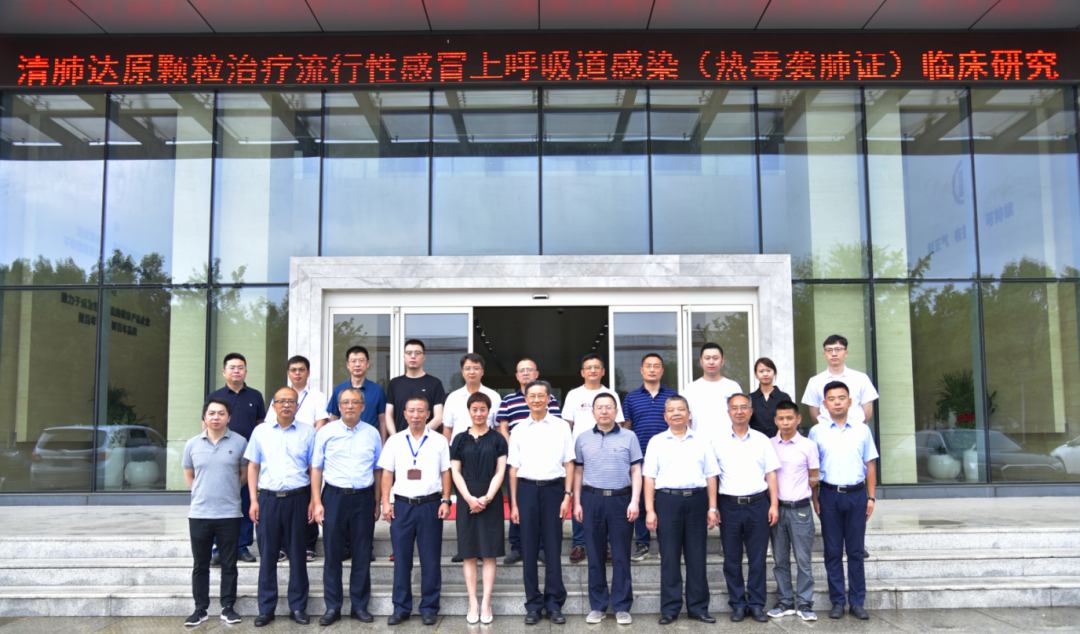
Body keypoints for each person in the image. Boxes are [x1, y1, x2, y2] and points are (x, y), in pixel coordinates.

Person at [643, 395, 719, 625]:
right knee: (669, 557)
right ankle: (670, 608)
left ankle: (698, 608)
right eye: (671, 410)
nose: (676, 413)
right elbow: (649, 477)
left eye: (681, 409)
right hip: (667, 502)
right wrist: (650, 510)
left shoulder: (702, 440)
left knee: (697, 556)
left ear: (688, 414)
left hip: (697, 501)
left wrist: (712, 507)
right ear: (665, 416)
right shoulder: (656, 441)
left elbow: (711, 475)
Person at [245, 387, 317, 627]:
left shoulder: (308, 432)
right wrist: (253, 500)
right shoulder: (261, 431)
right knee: (267, 555)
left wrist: (313, 500)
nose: (286, 404)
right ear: (273, 405)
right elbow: (253, 466)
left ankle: (298, 607)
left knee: (298, 554)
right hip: (268, 499)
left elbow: (314, 468)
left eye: (291, 401)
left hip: (298, 498)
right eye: (281, 401)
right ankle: (266, 609)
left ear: (297, 406)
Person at [310, 387, 382, 626]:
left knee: (362, 554)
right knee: (332, 555)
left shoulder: (372, 433)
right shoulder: (326, 432)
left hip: (363, 498)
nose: (350, 406)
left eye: (355, 402)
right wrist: (317, 502)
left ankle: (359, 606)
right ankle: (333, 607)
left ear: (363, 406)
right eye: (345, 402)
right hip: (334, 498)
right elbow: (316, 469)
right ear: (339, 407)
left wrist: (377, 501)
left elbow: (378, 470)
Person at [378, 396, 452, 625]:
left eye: (421, 411)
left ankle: (429, 607)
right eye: (411, 410)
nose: (416, 415)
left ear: (428, 414)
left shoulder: (439, 440)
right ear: (405, 414)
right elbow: (387, 473)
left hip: (430, 505)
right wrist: (386, 502)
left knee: (431, 560)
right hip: (402, 506)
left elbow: (446, 472)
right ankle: (401, 608)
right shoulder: (395, 441)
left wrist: (446, 501)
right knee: (401, 560)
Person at [809, 381, 879, 621]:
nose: (837, 402)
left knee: (856, 551)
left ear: (850, 402)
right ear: (824, 404)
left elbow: (870, 465)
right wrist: (816, 498)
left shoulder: (862, 430)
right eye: (831, 398)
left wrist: (871, 497)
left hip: (857, 496)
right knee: (832, 551)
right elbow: (813, 469)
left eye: (841, 398)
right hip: (828, 496)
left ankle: (857, 602)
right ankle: (838, 601)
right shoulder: (816, 432)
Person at [508, 380, 574, 625]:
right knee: (528, 548)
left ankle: (554, 603)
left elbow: (569, 463)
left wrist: (567, 496)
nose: (536, 399)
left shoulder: (561, 426)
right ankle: (533, 605)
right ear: (526, 399)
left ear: (549, 398)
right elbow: (513, 469)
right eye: (532, 395)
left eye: (541, 395)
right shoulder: (518, 429)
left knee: (553, 548)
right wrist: (514, 504)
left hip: (554, 491)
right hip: (526, 490)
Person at [573, 393, 640, 626]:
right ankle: (598, 606)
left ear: (616, 412)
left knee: (621, 555)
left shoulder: (629, 437)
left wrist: (635, 501)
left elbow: (636, 471)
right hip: (592, 499)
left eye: (608, 407)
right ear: (593, 412)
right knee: (595, 555)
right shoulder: (582, 438)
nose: (604, 411)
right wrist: (577, 502)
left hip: (621, 500)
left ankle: (622, 606)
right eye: (599, 407)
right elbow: (578, 472)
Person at [712, 393, 780, 623]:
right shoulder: (717, 441)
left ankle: (757, 604)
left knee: (757, 558)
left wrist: (774, 504)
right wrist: (714, 507)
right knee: (731, 559)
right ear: (728, 412)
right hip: (728, 506)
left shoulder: (762, 440)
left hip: (758, 505)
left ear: (751, 412)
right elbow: (712, 477)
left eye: (744, 407)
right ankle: (738, 604)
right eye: (734, 407)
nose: (739, 411)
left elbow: (771, 474)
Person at [182, 398, 247, 627]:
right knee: (201, 564)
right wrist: (203, 493)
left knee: (229, 564)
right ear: (205, 417)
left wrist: (227, 491)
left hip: (229, 513)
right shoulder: (192, 444)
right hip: (200, 514)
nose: (216, 417)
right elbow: (189, 475)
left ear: (229, 417)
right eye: (211, 413)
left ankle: (228, 607)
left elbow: (244, 474)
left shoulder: (240, 442)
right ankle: (200, 609)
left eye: (221, 413)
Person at [496, 358, 562, 565]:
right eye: (521, 370)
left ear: (536, 374)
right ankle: (517, 547)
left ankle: (541, 547)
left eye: (529, 370)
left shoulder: (550, 398)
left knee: (541, 508)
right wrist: (514, 450)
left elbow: (556, 426)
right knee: (516, 504)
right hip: (518, 460)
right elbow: (503, 428)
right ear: (516, 376)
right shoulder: (507, 400)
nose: (525, 373)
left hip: (544, 461)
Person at [449, 392, 508, 625]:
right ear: (469, 411)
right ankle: (473, 601)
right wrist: (468, 498)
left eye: (483, 409)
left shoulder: (498, 439)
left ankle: (486, 603)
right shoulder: (459, 439)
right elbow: (455, 471)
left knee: (489, 553)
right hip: (466, 498)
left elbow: (500, 471)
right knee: (469, 552)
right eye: (475, 409)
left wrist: (486, 498)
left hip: (491, 498)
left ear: (488, 411)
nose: (479, 413)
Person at [562, 353, 624, 564]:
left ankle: (603, 545)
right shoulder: (574, 395)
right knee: (579, 498)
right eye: (588, 367)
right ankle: (579, 543)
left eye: (597, 367)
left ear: (603, 371)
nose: (592, 371)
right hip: (580, 455)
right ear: (582, 372)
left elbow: (619, 424)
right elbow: (567, 426)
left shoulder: (610, 394)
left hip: (606, 454)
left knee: (603, 499)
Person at [205, 352, 265, 564]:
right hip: (221, 456)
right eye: (232, 367)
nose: (236, 371)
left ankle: (242, 547)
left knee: (246, 500)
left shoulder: (255, 396)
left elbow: (260, 426)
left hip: (248, 457)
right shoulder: (215, 397)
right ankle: (219, 548)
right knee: (221, 502)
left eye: (240, 367)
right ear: (224, 372)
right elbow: (206, 425)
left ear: (245, 371)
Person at [270, 355, 328, 563]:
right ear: (288, 373)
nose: (297, 373)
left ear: (308, 373)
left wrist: (304, 441)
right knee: (285, 500)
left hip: (308, 447)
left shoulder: (317, 396)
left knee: (308, 496)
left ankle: (309, 544)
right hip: (284, 450)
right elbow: (270, 423)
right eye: (293, 370)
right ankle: (283, 546)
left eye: (301, 369)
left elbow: (321, 422)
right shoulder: (280, 396)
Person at [768, 400, 820, 622]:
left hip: (800, 510)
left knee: (803, 560)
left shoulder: (808, 445)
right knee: (780, 559)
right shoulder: (769, 444)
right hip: (777, 510)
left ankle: (805, 602)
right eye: (781, 418)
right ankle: (785, 601)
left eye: (789, 418)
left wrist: (800, 490)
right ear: (775, 421)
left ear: (798, 419)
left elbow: (815, 476)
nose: (785, 422)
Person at [623, 352, 678, 563]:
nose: (652, 369)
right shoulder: (631, 397)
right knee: (640, 501)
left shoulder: (672, 397)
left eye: (656, 366)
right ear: (641, 370)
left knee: (663, 501)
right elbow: (627, 429)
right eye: (648, 366)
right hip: (640, 457)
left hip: (668, 456)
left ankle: (666, 544)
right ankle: (643, 544)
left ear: (662, 370)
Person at [801, 335, 879, 425]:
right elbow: (814, 415)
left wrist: (855, 428)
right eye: (829, 350)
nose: (834, 354)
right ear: (825, 354)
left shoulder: (861, 378)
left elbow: (867, 413)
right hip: (827, 431)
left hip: (855, 430)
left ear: (846, 353)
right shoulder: (814, 381)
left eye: (838, 349)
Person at [386, 339, 446, 437]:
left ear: (424, 357)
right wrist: (396, 438)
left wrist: (418, 435)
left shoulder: (435, 383)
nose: (413, 356)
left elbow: (439, 417)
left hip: (427, 440)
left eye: (417, 353)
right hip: (400, 442)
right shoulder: (394, 383)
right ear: (404, 357)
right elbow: (388, 416)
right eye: (409, 353)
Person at [682, 342, 743, 438]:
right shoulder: (690, 389)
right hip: (700, 443)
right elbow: (687, 420)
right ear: (701, 362)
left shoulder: (733, 387)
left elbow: (741, 417)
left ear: (722, 361)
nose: (711, 362)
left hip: (728, 442)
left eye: (715, 358)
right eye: (707, 358)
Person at [328, 345, 388, 442]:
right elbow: (334, 418)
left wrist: (383, 443)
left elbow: (383, 420)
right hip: (342, 441)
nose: (357, 364)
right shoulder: (339, 389)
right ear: (348, 365)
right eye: (353, 361)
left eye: (361, 360)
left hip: (368, 441)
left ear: (367, 364)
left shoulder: (378, 390)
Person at [442, 353, 502, 442]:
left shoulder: (494, 396)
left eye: (476, 368)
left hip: (487, 447)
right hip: (459, 448)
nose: (472, 372)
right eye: (467, 368)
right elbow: (447, 428)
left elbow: (498, 427)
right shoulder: (452, 398)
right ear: (463, 373)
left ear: (482, 372)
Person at [749, 357, 791, 438]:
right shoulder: (750, 398)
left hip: (780, 441)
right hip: (755, 441)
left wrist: (776, 440)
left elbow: (787, 421)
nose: (765, 374)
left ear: (774, 372)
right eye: (761, 371)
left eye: (768, 370)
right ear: (756, 374)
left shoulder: (784, 397)